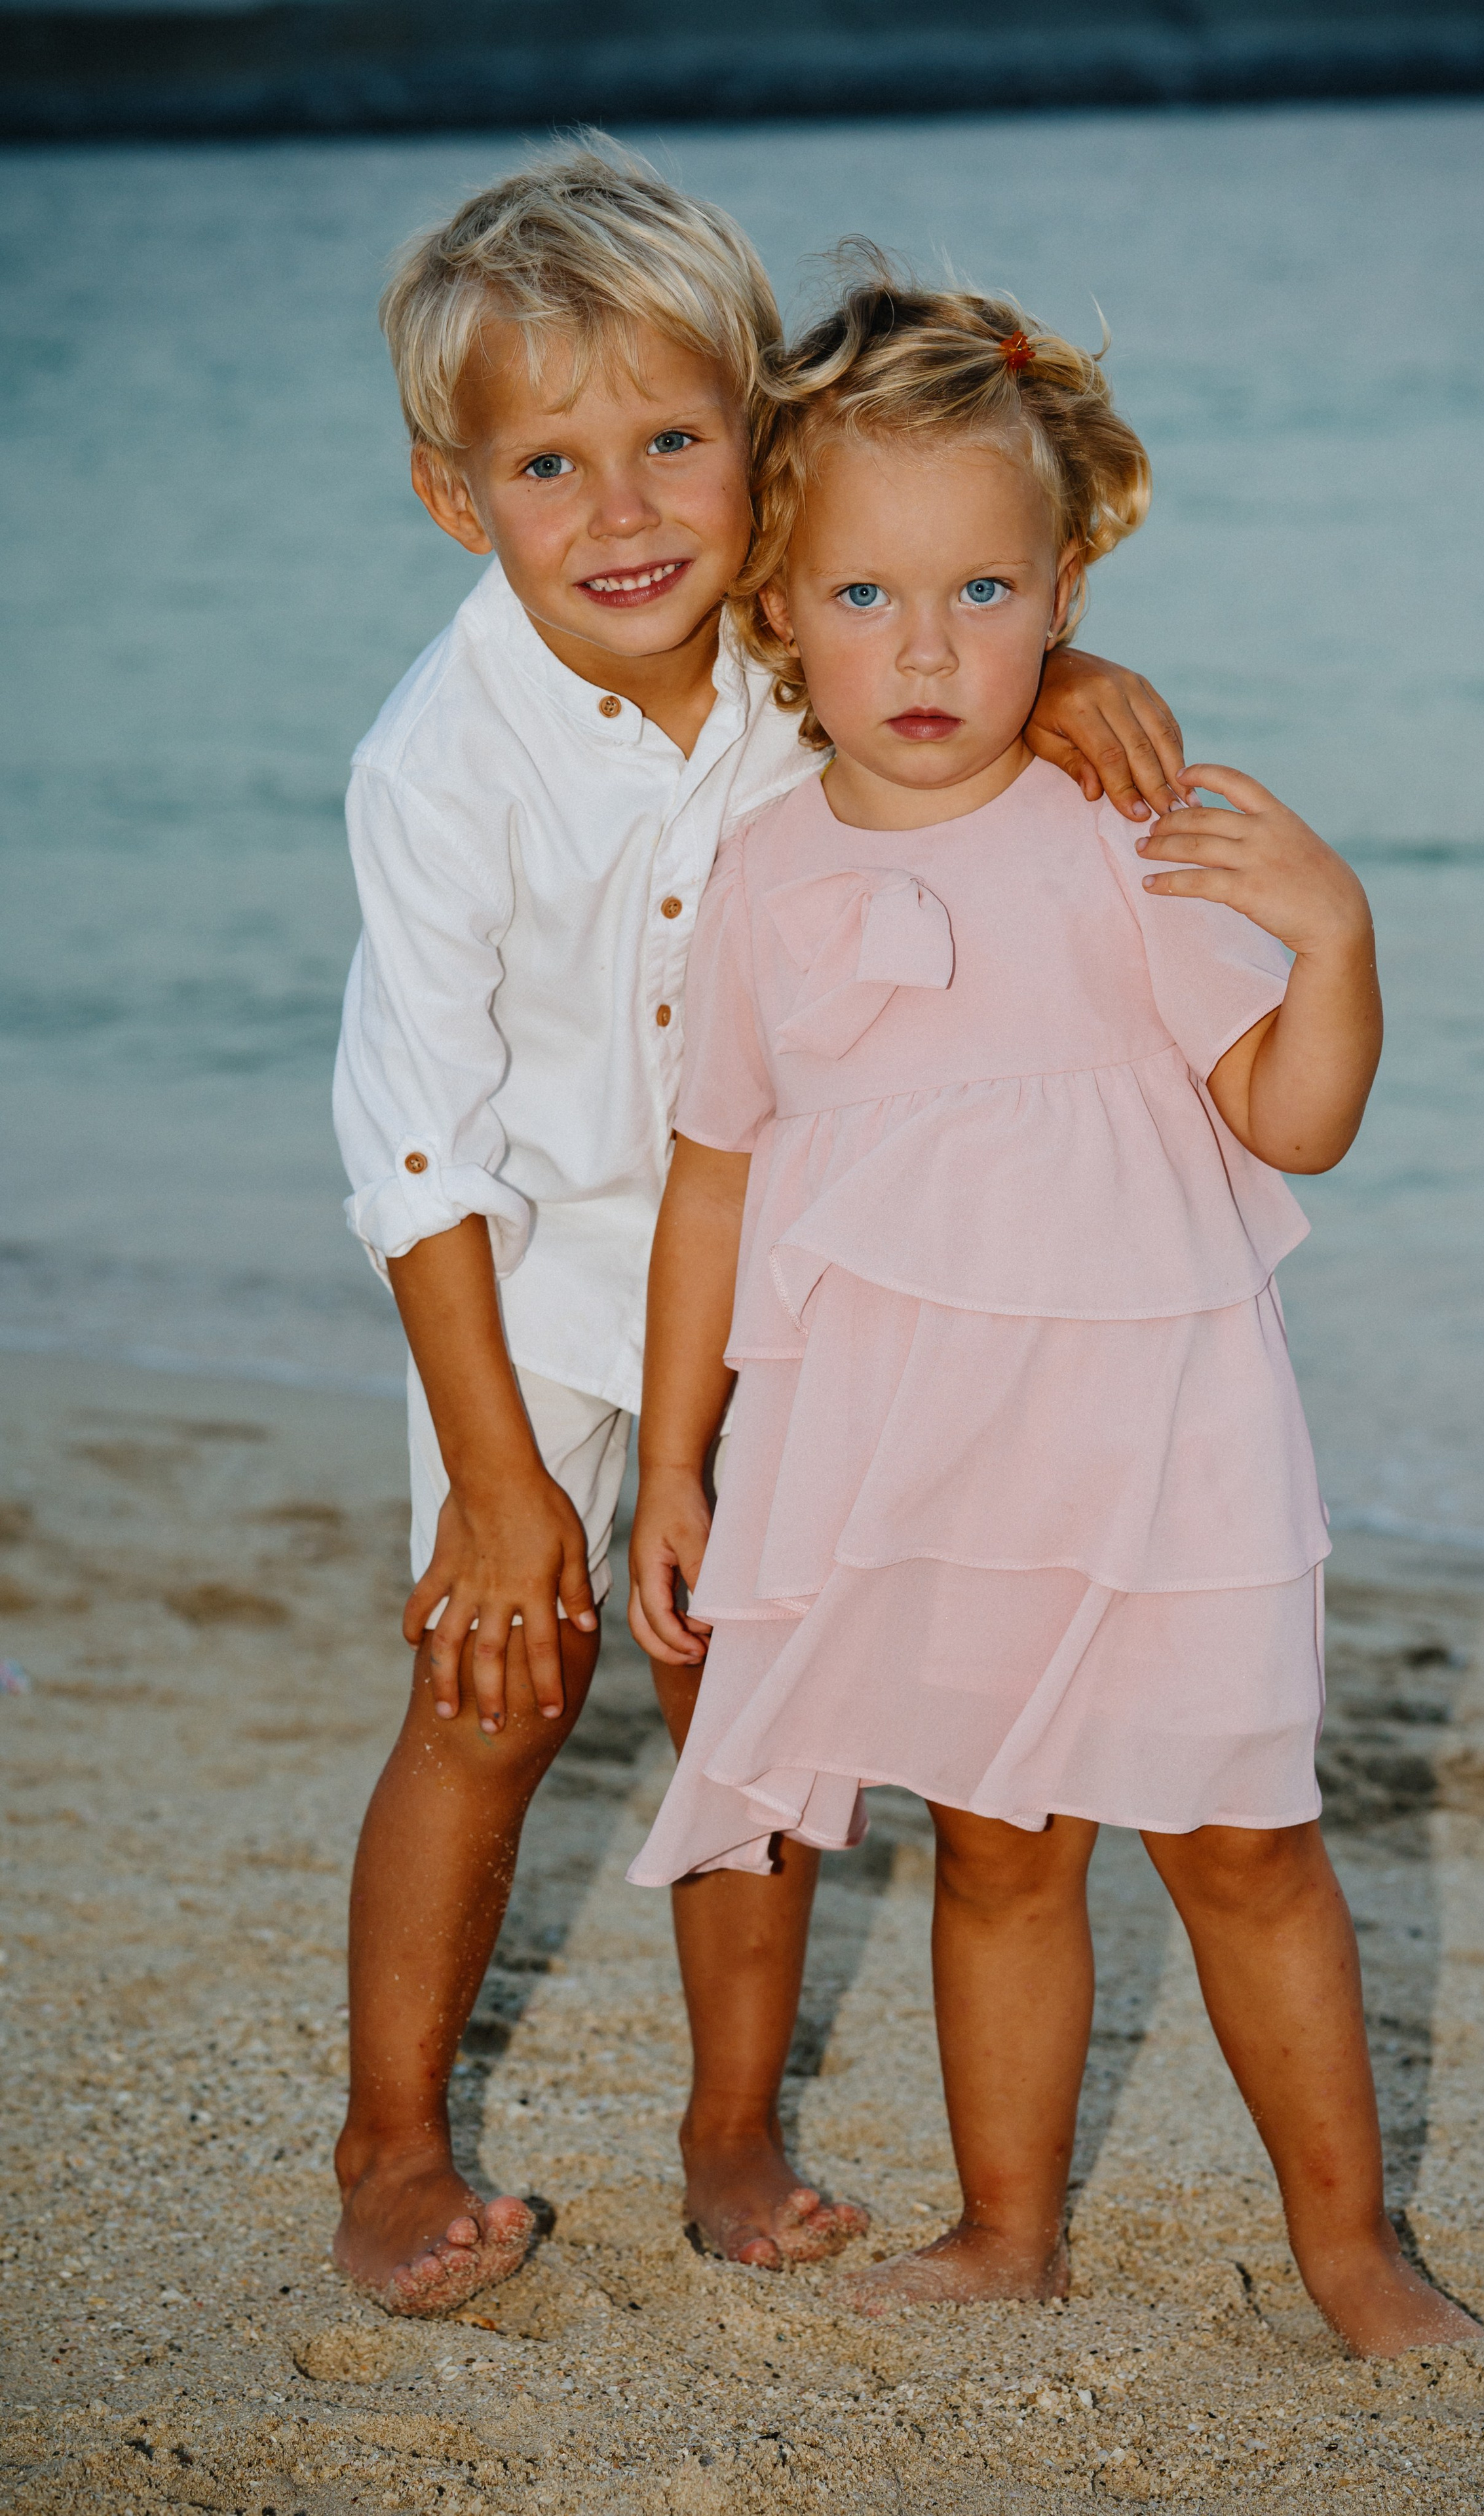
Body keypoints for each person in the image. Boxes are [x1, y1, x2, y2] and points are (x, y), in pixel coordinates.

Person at [331, 151, 1190, 2316]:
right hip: (522, 1286)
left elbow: (946, 631)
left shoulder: (786, 653)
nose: (623, 515)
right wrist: (509, 1482)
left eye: (674, 447)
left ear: (759, 459)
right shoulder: (438, 766)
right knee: (493, 1689)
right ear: (461, 499)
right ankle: (390, 2145)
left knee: (758, 1699)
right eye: (552, 463)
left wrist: (1074, 676)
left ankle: (735, 2126)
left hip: (787, 1266)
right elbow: (415, 1143)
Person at [626, 263, 1484, 2355]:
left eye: (985, 597)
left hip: (1163, 1455)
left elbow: (1292, 1117)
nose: (926, 653)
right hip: (926, 1463)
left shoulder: (1117, 834)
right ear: (778, 609)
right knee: (999, 1858)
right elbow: (718, 1170)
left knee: (1249, 1848)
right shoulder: (761, 877)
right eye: (864, 601)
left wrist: (1341, 941)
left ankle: (1354, 2254)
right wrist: (675, 1460)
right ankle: (1010, 2229)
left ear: (1065, 586)